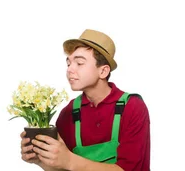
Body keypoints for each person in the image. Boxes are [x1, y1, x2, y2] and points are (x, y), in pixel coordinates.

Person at [19, 29, 150, 171]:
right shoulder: (69, 112)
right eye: (68, 63)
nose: (70, 70)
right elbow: (64, 169)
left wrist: (69, 160)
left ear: (103, 71)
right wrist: (42, 160)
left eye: (79, 63)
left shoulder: (132, 107)